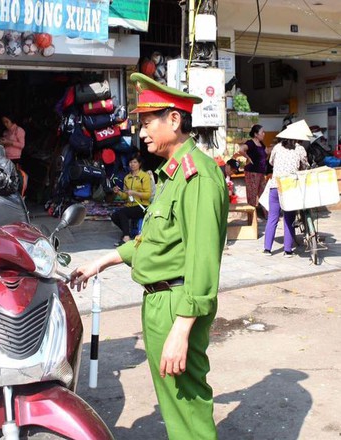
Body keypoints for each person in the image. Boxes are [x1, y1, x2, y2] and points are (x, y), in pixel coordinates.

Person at [70, 73, 228, 439]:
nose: (140, 133)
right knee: (175, 404)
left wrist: (182, 330)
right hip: (160, 300)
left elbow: (204, 262)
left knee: (186, 405)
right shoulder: (170, 176)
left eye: (146, 122)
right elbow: (153, 240)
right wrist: (102, 262)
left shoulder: (197, 177)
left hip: (178, 303)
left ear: (174, 120)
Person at [263, 120, 310, 257]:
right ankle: (287, 250)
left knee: (272, 218)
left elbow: (271, 162)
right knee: (288, 219)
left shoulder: (277, 147)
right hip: (290, 188)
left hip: (275, 186)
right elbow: (305, 165)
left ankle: (267, 249)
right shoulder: (300, 149)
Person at [110, 155, 151, 246]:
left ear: (139, 164)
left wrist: (134, 193)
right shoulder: (127, 178)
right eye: (130, 162)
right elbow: (125, 197)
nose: (132, 164)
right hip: (130, 206)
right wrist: (118, 192)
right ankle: (127, 233)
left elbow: (148, 195)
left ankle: (126, 238)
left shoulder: (144, 176)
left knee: (123, 212)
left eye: (135, 162)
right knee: (114, 216)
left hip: (142, 206)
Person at [237, 124, 268, 217]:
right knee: (252, 195)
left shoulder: (261, 144)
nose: (264, 134)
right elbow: (241, 149)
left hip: (261, 173)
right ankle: (252, 217)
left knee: (264, 194)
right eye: (262, 132)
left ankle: (267, 215)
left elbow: (267, 152)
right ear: (255, 134)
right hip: (252, 173)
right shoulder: (250, 143)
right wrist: (248, 157)